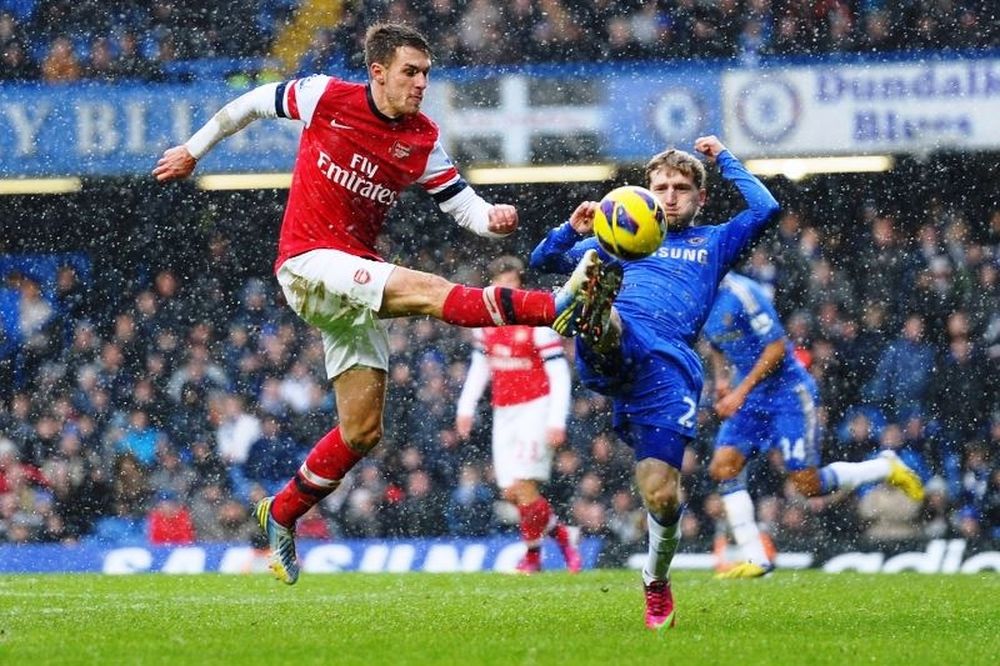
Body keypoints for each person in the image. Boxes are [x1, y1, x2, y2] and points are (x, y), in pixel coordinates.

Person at [152, 22, 609, 585]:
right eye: (410, 72)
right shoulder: (325, 96)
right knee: (433, 292)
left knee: (362, 432)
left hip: (350, 285)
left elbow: (464, 208)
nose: (421, 84)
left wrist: (492, 218)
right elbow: (247, 104)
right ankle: (557, 306)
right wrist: (192, 151)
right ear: (378, 72)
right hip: (308, 262)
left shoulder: (422, 139)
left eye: (426, 74)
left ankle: (283, 512)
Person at [530, 136, 779, 631]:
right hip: (620, 338)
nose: (670, 196)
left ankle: (655, 579)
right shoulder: (616, 237)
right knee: (607, 310)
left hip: (669, 368)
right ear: (646, 192)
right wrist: (569, 230)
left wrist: (723, 157)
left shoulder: (714, 242)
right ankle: (592, 311)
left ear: (700, 197)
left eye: (681, 188)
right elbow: (541, 260)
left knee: (661, 494)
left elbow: (765, 208)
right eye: (661, 187)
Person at [703, 272, 925, 579]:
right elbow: (715, 341)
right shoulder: (697, 294)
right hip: (750, 396)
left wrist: (739, 392)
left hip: (788, 394)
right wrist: (722, 379)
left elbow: (776, 348)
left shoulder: (743, 293)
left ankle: (883, 467)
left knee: (808, 485)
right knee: (723, 467)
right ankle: (756, 559)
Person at [455, 255, 581, 574]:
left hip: (535, 409)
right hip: (503, 411)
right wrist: (465, 407)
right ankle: (561, 534)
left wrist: (556, 420)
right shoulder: (486, 321)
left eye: (512, 282)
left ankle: (532, 557)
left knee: (524, 487)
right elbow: (480, 365)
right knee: (512, 493)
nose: (507, 289)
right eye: (501, 283)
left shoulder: (536, 320)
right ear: (492, 285)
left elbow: (559, 373)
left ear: (520, 284)